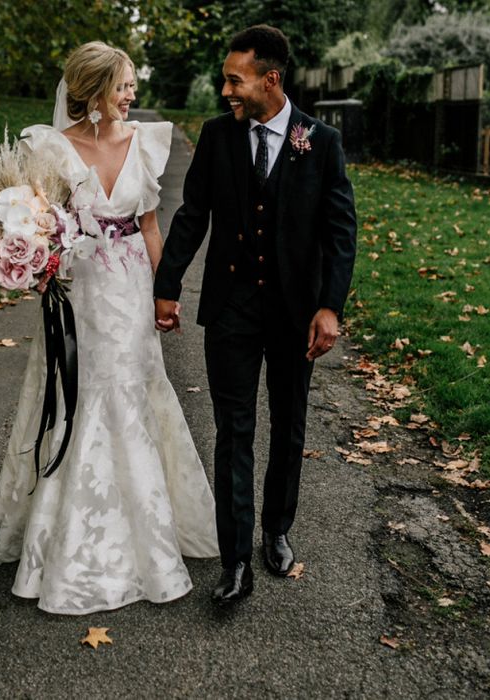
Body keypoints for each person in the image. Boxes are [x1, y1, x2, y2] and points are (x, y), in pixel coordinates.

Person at [0, 41, 218, 615]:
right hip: (79, 290)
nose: (132, 95)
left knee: (135, 388)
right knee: (78, 390)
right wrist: (34, 265)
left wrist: (166, 292)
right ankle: (70, 529)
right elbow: (36, 226)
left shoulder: (145, 142)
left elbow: (151, 227)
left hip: (132, 287)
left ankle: (147, 514)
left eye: (133, 85)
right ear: (91, 92)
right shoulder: (51, 149)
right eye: (123, 86)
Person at [154, 25, 357, 606]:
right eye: (226, 79)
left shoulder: (320, 142)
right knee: (233, 432)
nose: (226, 90)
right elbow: (193, 214)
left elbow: (341, 233)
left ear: (270, 79)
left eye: (234, 79)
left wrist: (329, 307)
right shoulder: (218, 137)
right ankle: (236, 560)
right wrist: (166, 285)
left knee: (288, 425)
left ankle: (277, 529)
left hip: (296, 314)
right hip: (232, 310)